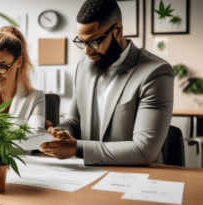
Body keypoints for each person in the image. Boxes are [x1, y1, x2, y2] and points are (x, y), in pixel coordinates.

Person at [40, 0, 174, 165]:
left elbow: (144, 150)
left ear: (117, 30)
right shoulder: (83, 66)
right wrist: (60, 134)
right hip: (90, 174)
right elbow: (74, 121)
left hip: (139, 175)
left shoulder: (155, 72)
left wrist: (77, 149)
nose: (86, 51)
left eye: (94, 41)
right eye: (81, 42)